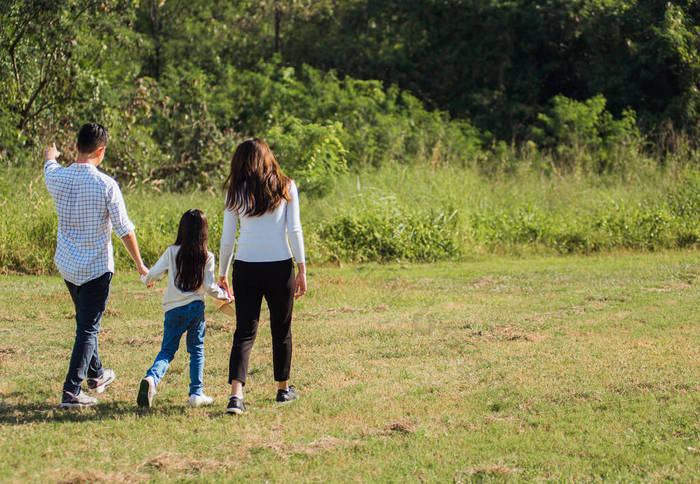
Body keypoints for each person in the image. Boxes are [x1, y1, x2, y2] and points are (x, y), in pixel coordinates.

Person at [44, 123, 148, 408]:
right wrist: (140, 264)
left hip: (68, 266)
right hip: (96, 269)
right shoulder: (106, 185)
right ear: (100, 151)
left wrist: (50, 155)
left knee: (86, 321)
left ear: (76, 147)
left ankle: (97, 375)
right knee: (88, 327)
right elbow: (124, 229)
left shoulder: (57, 178)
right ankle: (71, 391)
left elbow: (49, 164)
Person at [218, 138, 307, 415]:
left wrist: (222, 272)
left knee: (244, 331)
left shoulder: (235, 192)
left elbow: (227, 238)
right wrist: (302, 267)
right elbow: (295, 230)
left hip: (246, 267)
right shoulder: (286, 186)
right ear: (268, 158)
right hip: (280, 266)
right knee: (281, 329)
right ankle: (283, 389)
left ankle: (236, 396)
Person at [137, 209, 231, 408]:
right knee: (196, 350)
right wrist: (226, 296)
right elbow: (209, 287)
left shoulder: (172, 251)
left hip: (173, 309)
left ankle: (151, 379)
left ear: (182, 229)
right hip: (196, 308)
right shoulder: (207, 256)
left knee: (167, 351)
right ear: (204, 232)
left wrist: (146, 279)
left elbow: (154, 273)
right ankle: (196, 393)